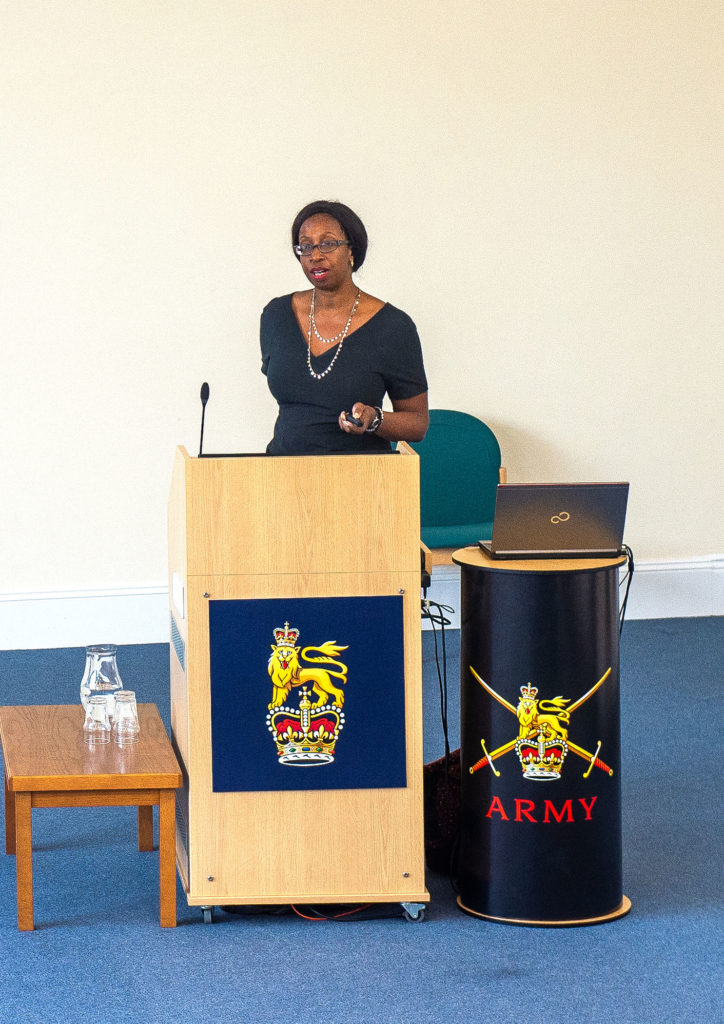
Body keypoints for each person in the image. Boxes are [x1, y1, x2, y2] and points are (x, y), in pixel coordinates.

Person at [260, 200, 428, 454]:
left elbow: (417, 424)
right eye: (305, 246)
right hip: (282, 478)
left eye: (327, 244)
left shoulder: (393, 326)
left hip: (361, 480)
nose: (315, 255)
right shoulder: (276, 316)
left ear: (352, 250)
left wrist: (375, 418)